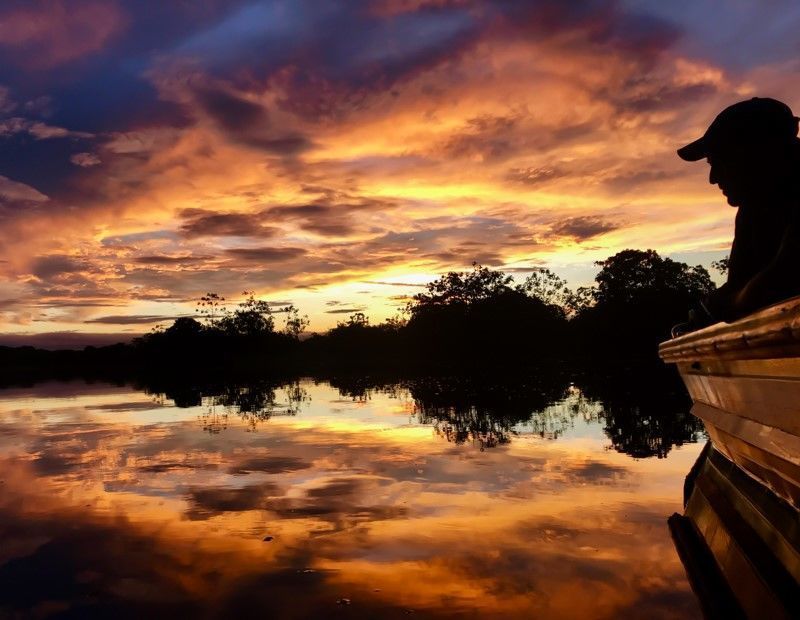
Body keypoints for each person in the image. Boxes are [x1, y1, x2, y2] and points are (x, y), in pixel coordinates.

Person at [678, 97, 800, 323]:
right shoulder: (754, 208)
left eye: (720, 162)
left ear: (758, 153)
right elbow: (739, 283)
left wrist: (721, 306)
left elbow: (780, 280)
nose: (713, 178)